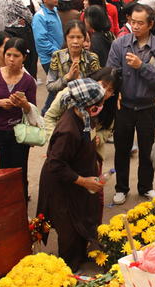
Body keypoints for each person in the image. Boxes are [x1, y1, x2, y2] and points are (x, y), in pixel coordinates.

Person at [36, 78, 106, 271]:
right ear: (88, 105)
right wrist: (83, 181)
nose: (101, 106)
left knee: (83, 218)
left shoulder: (85, 116)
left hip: (79, 179)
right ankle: (69, 268)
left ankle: (82, 254)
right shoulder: (67, 129)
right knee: (68, 226)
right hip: (61, 183)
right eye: (99, 103)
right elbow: (56, 164)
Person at [106, 4, 155, 204]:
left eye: (140, 23)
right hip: (123, 107)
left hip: (147, 107)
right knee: (122, 149)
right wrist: (114, 92)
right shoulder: (120, 44)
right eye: (132, 21)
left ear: (150, 24)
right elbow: (111, 73)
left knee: (147, 150)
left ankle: (145, 187)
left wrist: (142, 67)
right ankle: (121, 188)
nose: (135, 26)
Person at [0, 37, 37, 195]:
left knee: (19, 172)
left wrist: (24, 104)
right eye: (8, 55)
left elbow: (33, 109)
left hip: (19, 134)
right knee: (0, 173)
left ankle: (21, 207)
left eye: (16, 56)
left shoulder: (28, 81)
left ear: (24, 58)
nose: (11, 59)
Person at [47, 20, 101, 104]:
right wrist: (67, 77)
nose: (75, 41)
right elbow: (50, 86)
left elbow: (96, 88)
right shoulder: (57, 56)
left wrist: (79, 79)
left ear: (84, 39)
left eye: (79, 37)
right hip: (62, 105)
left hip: (85, 105)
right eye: (71, 37)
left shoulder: (92, 58)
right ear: (66, 38)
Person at [32, 0, 64, 82]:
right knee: (55, 87)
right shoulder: (39, 17)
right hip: (50, 59)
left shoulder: (54, 10)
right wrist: (57, 53)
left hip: (59, 55)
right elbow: (41, 41)